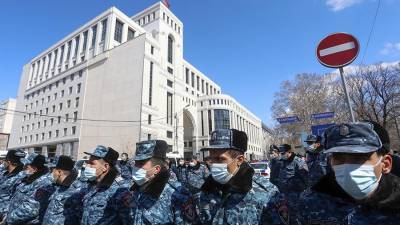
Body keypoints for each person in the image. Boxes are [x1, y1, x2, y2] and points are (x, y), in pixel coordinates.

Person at [296, 122, 400, 224]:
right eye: (338, 158)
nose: (348, 167)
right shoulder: (311, 201)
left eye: (359, 158)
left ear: (385, 164)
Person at [195, 129, 288, 224]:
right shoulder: (204, 192)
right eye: (211, 158)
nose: (214, 164)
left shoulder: (267, 195)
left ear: (239, 160)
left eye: (220, 159)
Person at [128, 139, 196, 224]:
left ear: (156, 169)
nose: (135, 167)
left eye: (141, 163)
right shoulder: (136, 189)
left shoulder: (176, 196)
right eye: (135, 162)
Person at [80, 146, 131, 225]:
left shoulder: (120, 190)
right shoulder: (91, 184)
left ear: (105, 167)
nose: (88, 166)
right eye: (88, 163)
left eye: (92, 163)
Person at [5, 153, 56, 225]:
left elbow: (31, 208)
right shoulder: (28, 178)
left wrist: (8, 219)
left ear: (34, 169)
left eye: (26, 167)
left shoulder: (43, 183)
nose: (23, 169)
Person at [42, 155, 85, 225]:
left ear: (59, 172)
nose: (51, 173)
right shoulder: (60, 187)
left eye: (52, 171)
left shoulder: (77, 191)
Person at [0, 150, 26, 220]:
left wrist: (5, 217)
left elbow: (16, 199)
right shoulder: (5, 173)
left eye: (4, 160)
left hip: (4, 215)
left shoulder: (20, 177)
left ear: (8, 162)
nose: (3, 162)